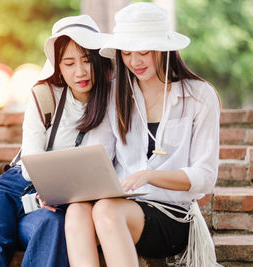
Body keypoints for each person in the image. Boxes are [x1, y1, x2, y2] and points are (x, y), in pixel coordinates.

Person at [64, 3, 221, 267]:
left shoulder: (199, 96)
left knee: (106, 211)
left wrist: (149, 177)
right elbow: (97, 156)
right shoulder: (115, 93)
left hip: (172, 214)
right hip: (119, 205)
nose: (134, 62)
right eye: (126, 53)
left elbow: (205, 177)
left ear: (163, 49)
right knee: (77, 211)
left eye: (144, 52)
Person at [0, 14, 113, 267]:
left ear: (98, 59)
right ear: (58, 66)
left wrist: (57, 193)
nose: (80, 71)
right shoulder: (43, 95)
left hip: (61, 201)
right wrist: (47, 187)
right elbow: (31, 157)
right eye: (69, 63)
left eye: (87, 60)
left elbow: (96, 167)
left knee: (51, 226)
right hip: (14, 187)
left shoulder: (112, 104)